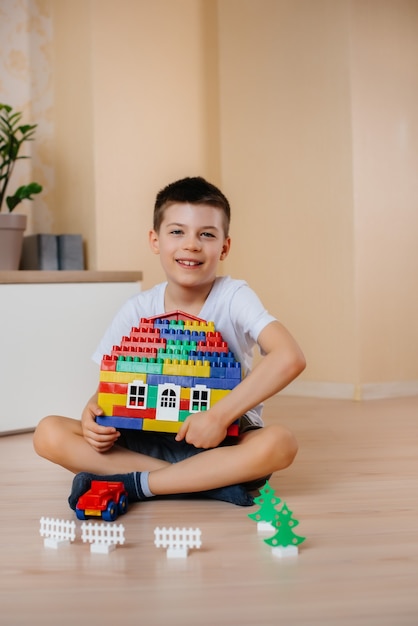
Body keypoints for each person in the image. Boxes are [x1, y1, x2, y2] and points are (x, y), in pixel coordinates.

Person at [33, 176, 306, 508]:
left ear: (225, 247)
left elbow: (290, 356)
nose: (191, 244)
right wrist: (93, 416)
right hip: (145, 434)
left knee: (280, 443)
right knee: (48, 433)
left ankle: (140, 484)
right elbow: (109, 383)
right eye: (177, 231)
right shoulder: (138, 308)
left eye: (206, 234)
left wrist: (218, 417)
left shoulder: (234, 296)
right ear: (155, 240)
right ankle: (203, 483)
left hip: (221, 441)